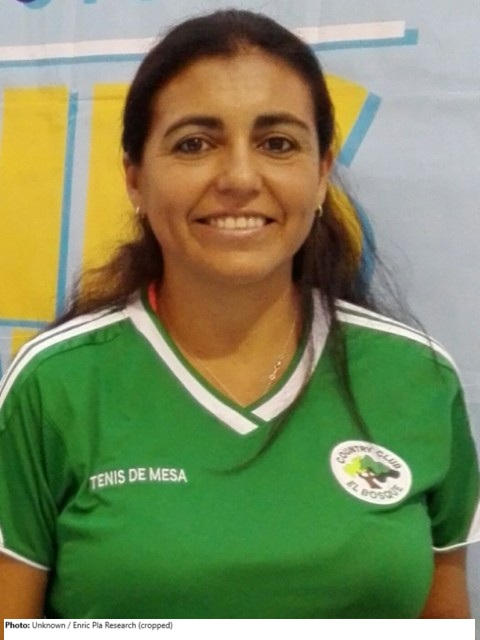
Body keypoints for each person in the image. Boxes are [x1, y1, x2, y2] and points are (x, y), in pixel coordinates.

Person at [0, 9, 478, 620]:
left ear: (321, 173)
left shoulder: (416, 377)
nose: (239, 178)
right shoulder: (55, 384)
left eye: (277, 143)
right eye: (194, 144)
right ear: (135, 178)